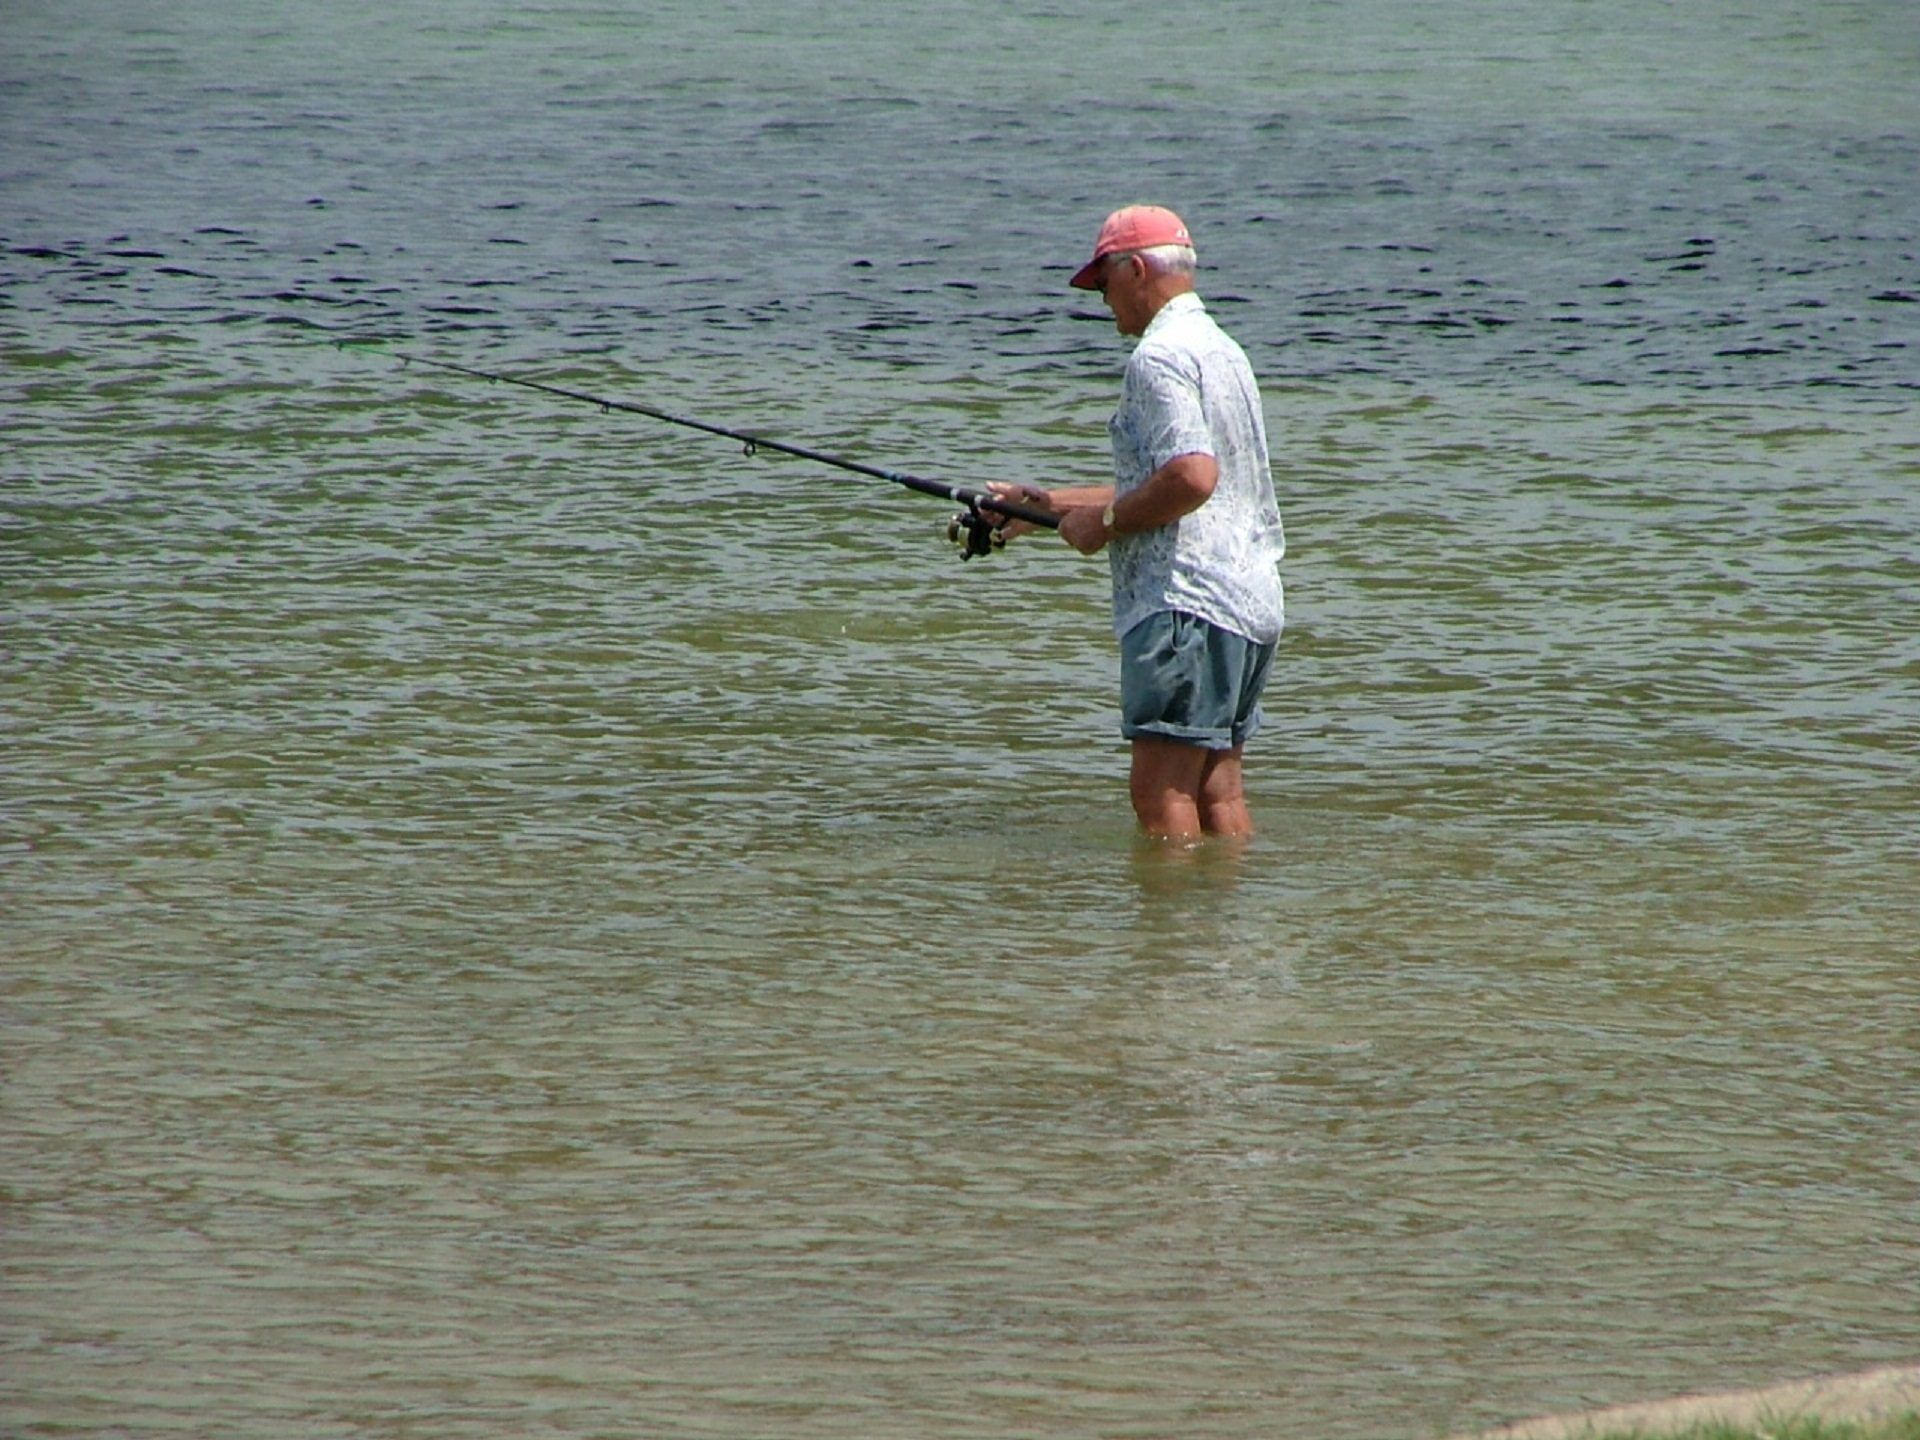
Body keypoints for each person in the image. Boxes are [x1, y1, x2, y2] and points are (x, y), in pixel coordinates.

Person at [990, 205, 1285, 843]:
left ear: (1138, 269)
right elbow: (1190, 479)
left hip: (1187, 606)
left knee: (1161, 795)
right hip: (1249, 600)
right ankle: (1228, 933)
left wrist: (1106, 524)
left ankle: (1171, 943)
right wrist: (1044, 508)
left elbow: (1191, 478)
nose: (1102, 301)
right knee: (1218, 791)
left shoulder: (1158, 358)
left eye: (1103, 283)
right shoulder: (1222, 349)